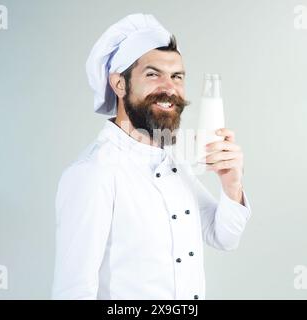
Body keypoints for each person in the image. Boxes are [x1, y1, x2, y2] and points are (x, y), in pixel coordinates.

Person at [52, 13, 251, 300]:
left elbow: (223, 237)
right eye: (152, 74)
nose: (169, 88)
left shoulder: (172, 161)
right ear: (119, 84)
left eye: (177, 77)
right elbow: (72, 292)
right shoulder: (93, 173)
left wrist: (232, 185)